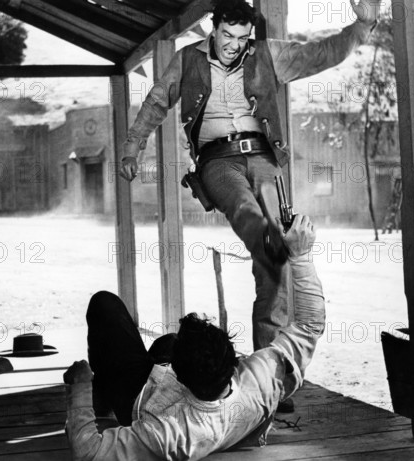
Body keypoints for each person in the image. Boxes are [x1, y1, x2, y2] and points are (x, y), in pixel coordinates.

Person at [118, 0, 379, 357]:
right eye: (227, 35)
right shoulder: (186, 59)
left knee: (277, 266)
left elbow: (321, 53)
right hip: (217, 160)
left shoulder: (268, 54)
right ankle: (269, 239)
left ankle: (270, 364)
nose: (233, 45)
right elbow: (156, 102)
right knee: (244, 208)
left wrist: (361, 27)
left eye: (242, 38)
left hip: (262, 157)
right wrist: (133, 147)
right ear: (214, 28)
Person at [64, 207, 324, 460]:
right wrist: (300, 255)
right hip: (202, 404)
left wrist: (81, 386)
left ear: (178, 376)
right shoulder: (260, 382)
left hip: (138, 399)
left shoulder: (167, 433)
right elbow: (310, 325)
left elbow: (88, 451)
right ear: (233, 361)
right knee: (168, 342)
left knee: (104, 304)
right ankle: (161, 354)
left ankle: (103, 395)